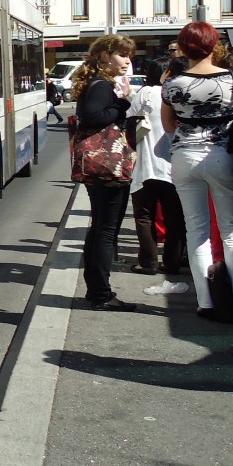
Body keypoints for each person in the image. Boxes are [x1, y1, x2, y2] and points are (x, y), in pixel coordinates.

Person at [161, 21, 233, 320]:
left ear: (183, 48)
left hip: (184, 157)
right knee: (231, 230)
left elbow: (169, 125)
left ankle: (206, 302)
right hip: (223, 155)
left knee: (196, 231)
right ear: (214, 45)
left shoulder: (173, 84)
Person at [72, 33, 137, 311]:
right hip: (106, 167)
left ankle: (97, 290)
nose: (127, 60)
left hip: (99, 166)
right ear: (104, 57)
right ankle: (101, 293)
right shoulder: (101, 86)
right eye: (122, 55)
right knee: (106, 230)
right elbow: (92, 116)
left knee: (100, 227)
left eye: (128, 55)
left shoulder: (98, 83)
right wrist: (123, 103)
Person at [126, 57, 186, 276]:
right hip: (175, 168)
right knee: (175, 219)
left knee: (144, 217)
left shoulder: (146, 93)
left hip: (146, 166)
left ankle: (148, 263)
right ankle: (172, 264)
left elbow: (130, 119)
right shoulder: (180, 94)